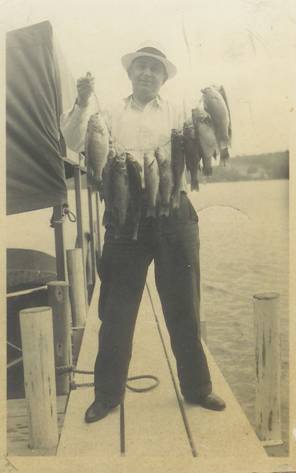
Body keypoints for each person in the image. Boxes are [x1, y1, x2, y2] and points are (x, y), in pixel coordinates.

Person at [60, 42, 226, 423]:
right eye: (141, 67)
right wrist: (83, 102)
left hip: (174, 212)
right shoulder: (107, 113)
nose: (147, 73)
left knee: (184, 305)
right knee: (116, 309)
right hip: (124, 215)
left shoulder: (181, 111)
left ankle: (198, 388)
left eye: (155, 68)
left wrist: (217, 112)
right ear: (130, 73)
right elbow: (70, 141)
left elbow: (207, 138)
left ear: (164, 76)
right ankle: (107, 394)